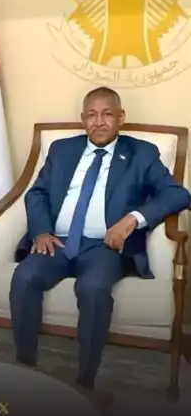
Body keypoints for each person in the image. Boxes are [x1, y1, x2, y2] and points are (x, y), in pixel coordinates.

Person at [10, 87, 191, 394]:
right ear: (83, 119)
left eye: (107, 114)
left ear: (121, 118)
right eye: (91, 115)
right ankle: (25, 368)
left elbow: (178, 194)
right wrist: (41, 231)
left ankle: (85, 381)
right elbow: (37, 192)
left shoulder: (141, 154)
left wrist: (132, 219)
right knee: (24, 276)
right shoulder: (62, 150)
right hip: (57, 242)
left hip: (105, 248)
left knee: (93, 288)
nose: (99, 122)